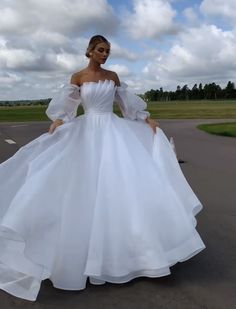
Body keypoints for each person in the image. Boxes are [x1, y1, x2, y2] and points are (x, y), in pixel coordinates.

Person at [0, 35, 206, 301]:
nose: (105, 54)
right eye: (100, 50)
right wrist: (59, 122)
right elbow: (68, 108)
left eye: (108, 50)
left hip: (113, 132)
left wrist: (147, 119)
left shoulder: (113, 76)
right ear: (89, 51)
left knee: (120, 188)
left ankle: (132, 254)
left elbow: (127, 106)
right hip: (86, 132)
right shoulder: (78, 77)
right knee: (81, 188)